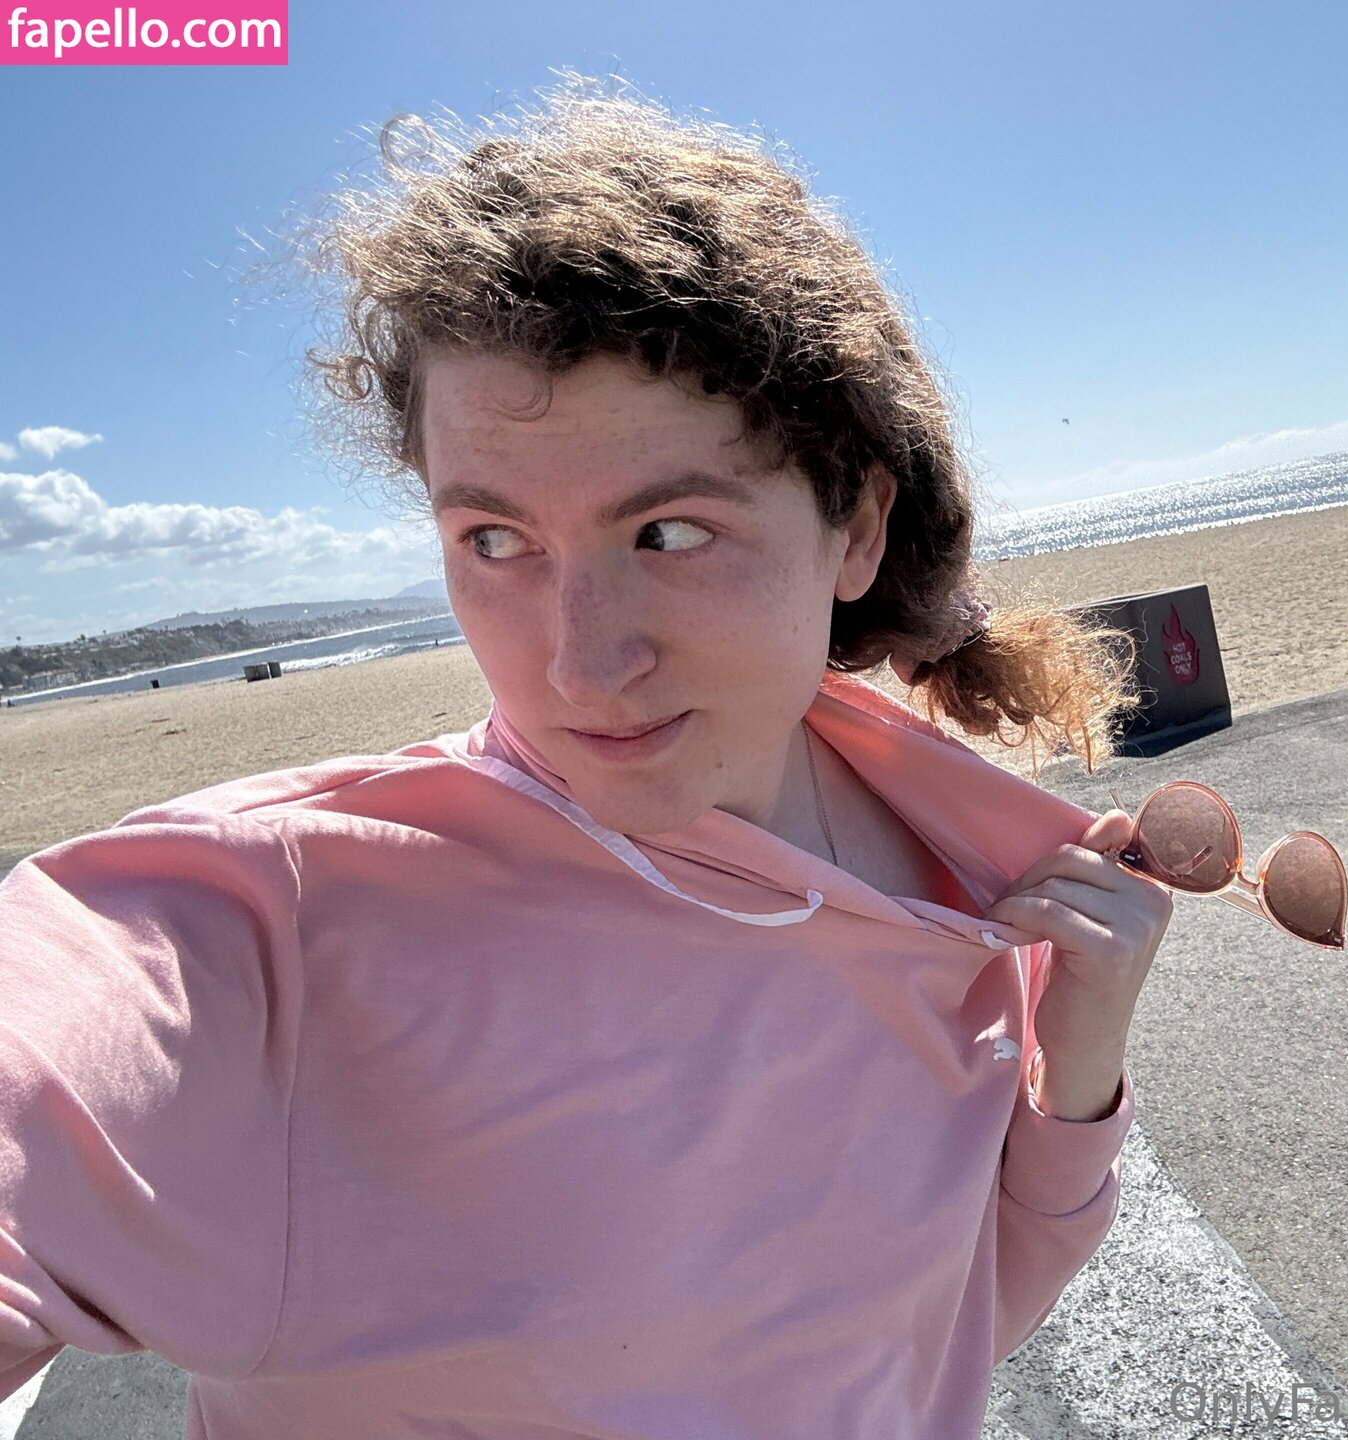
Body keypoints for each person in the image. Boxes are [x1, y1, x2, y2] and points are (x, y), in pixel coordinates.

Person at [0, 77, 1170, 1438]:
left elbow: (938, 1337)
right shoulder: (288, 927)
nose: (578, 665)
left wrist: (1077, 1071)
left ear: (854, 527)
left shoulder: (964, 864)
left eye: (669, 533)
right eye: (495, 541)